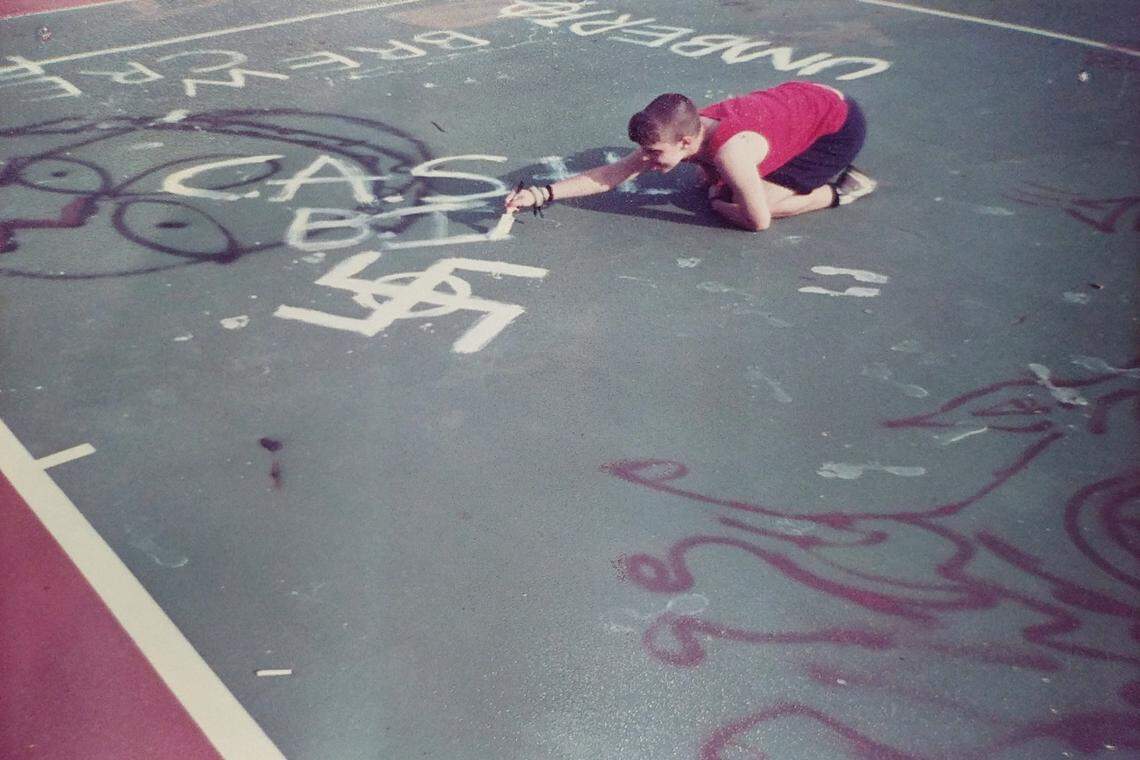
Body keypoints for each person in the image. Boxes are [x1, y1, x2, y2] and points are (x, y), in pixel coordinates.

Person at [503, 81, 876, 231]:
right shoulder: (686, 126)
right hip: (806, 98)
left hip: (837, 126)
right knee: (716, 181)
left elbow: (758, 222)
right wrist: (540, 194)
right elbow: (611, 174)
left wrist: (718, 202)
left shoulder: (730, 151)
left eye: (654, 153)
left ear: (684, 142)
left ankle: (840, 189)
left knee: (741, 197)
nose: (646, 160)